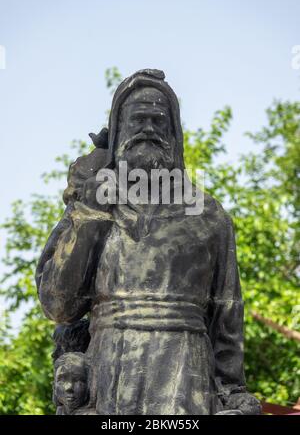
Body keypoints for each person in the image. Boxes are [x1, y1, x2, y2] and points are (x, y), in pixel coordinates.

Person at [36, 69, 261, 415]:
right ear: (117, 132)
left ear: (175, 135)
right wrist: (91, 211)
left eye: (159, 121)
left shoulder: (209, 216)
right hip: (109, 374)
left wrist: (231, 391)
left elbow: (228, 316)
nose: (149, 129)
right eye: (138, 120)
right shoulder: (91, 206)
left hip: (186, 377)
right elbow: (58, 305)